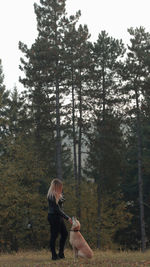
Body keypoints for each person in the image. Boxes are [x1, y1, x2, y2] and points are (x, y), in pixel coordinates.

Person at [47, 178, 72, 260]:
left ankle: (61, 253)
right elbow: (57, 209)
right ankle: (54, 255)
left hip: (59, 217)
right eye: (60, 187)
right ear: (56, 186)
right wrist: (67, 218)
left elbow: (61, 204)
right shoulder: (51, 196)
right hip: (54, 217)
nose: (62, 188)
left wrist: (61, 195)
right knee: (54, 236)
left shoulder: (58, 194)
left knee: (64, 234)